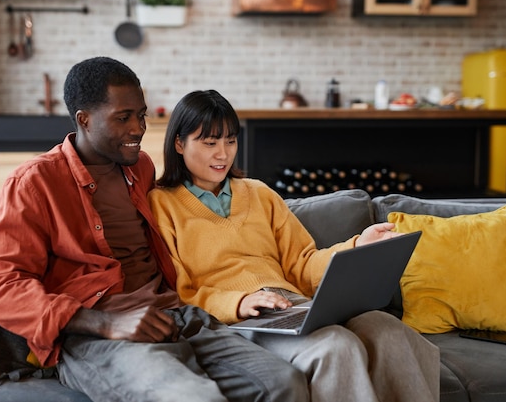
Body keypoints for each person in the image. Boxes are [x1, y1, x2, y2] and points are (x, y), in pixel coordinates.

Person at [0, 58, 310, 402]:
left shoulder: (140, 169)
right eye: (123, 118)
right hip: (100, 335)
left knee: (285, 382)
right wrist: (105, 324)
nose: (139, 128)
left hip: (176, 316)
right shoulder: (35, 183)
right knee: (195, 397)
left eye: (141, 115)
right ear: (84, 120)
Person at [148, 89, 441, 402]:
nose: (223, 153)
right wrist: (239, 302)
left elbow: (302, 263)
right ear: (179, 143)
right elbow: (178, 291)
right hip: (237, 319)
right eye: (210, 142)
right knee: (336, 344)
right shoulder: (162, 204)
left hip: (291, 304)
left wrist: (357, 246)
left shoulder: (259, 193)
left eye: (230, 141)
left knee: (388, 330)